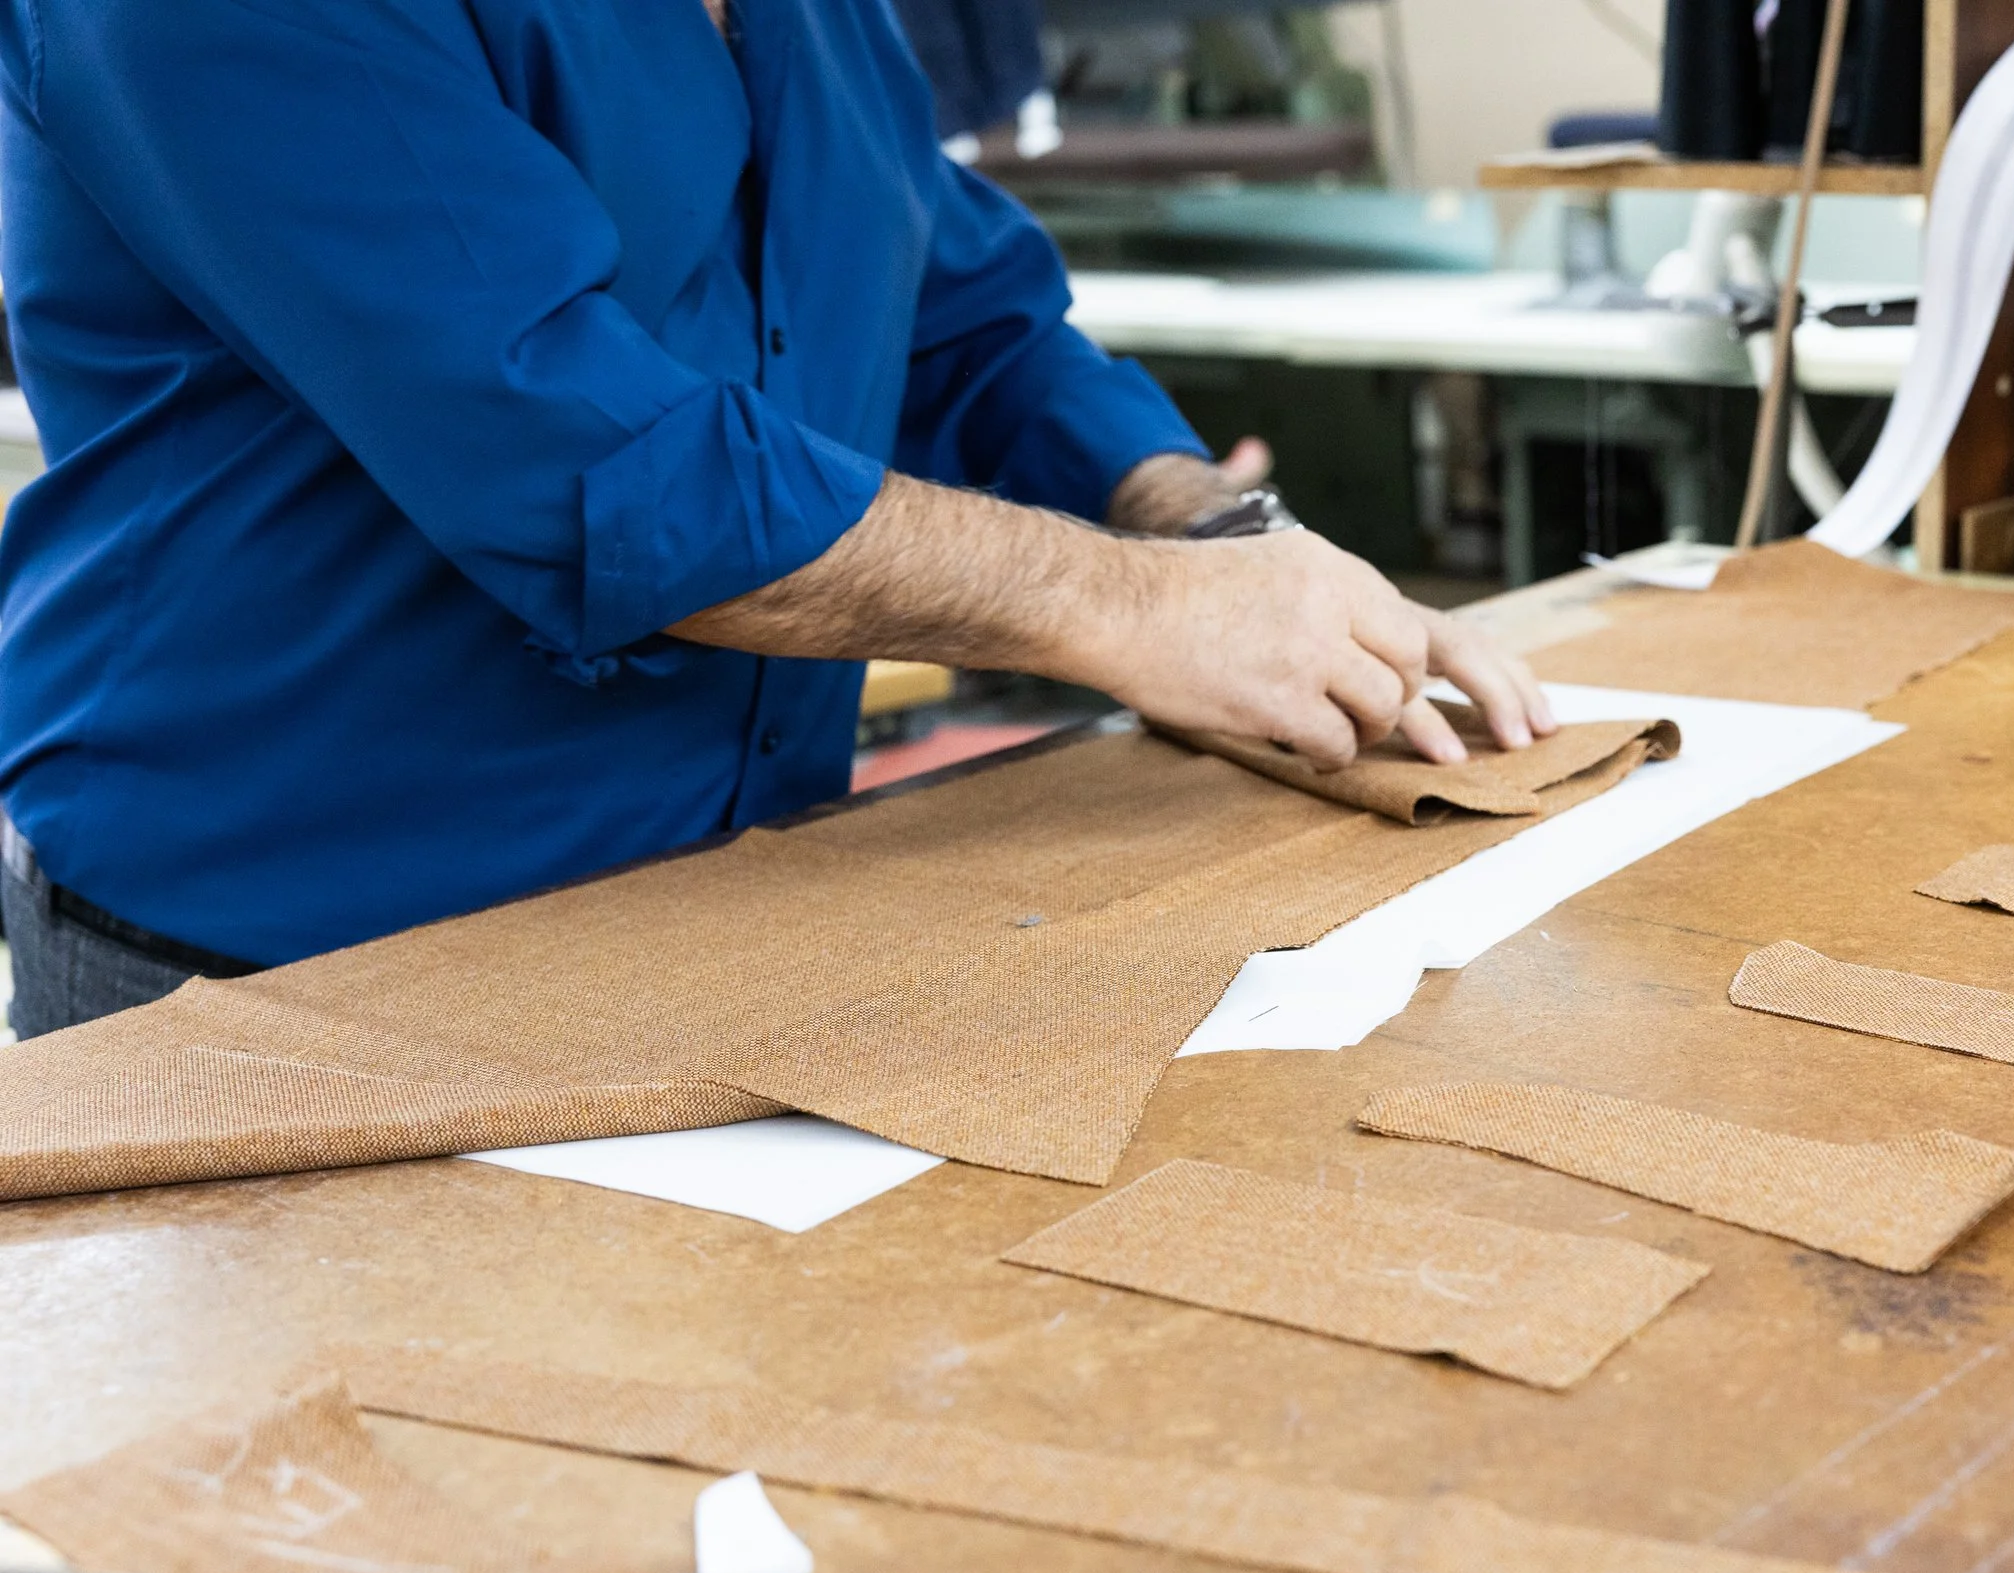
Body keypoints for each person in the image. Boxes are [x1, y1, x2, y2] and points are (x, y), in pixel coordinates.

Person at [0, 0, 1553, 1040]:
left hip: (725, 921)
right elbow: (601, 471)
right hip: (272, 975)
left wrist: (1212, 533)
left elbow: (968, 328)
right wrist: (1139, 613)